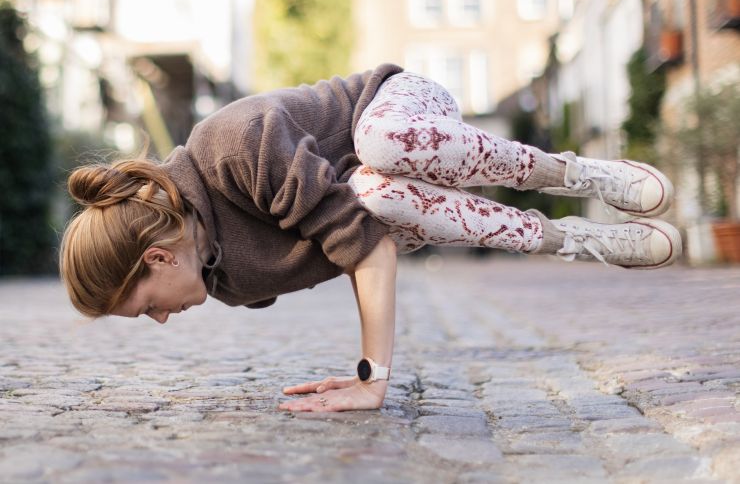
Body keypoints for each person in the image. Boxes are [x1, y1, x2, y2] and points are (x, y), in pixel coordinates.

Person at [60, 65, 679, 414]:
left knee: (376, 164)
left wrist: (370, 377)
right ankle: (577, 239)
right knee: (376, 197)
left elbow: (365, 250)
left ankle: (572, 173)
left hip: (401, 109)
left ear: (158, 256)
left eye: (147, 306)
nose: (162, 319)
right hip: (382, 200)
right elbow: (368, 239)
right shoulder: (225, 282)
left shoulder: (231, 144)